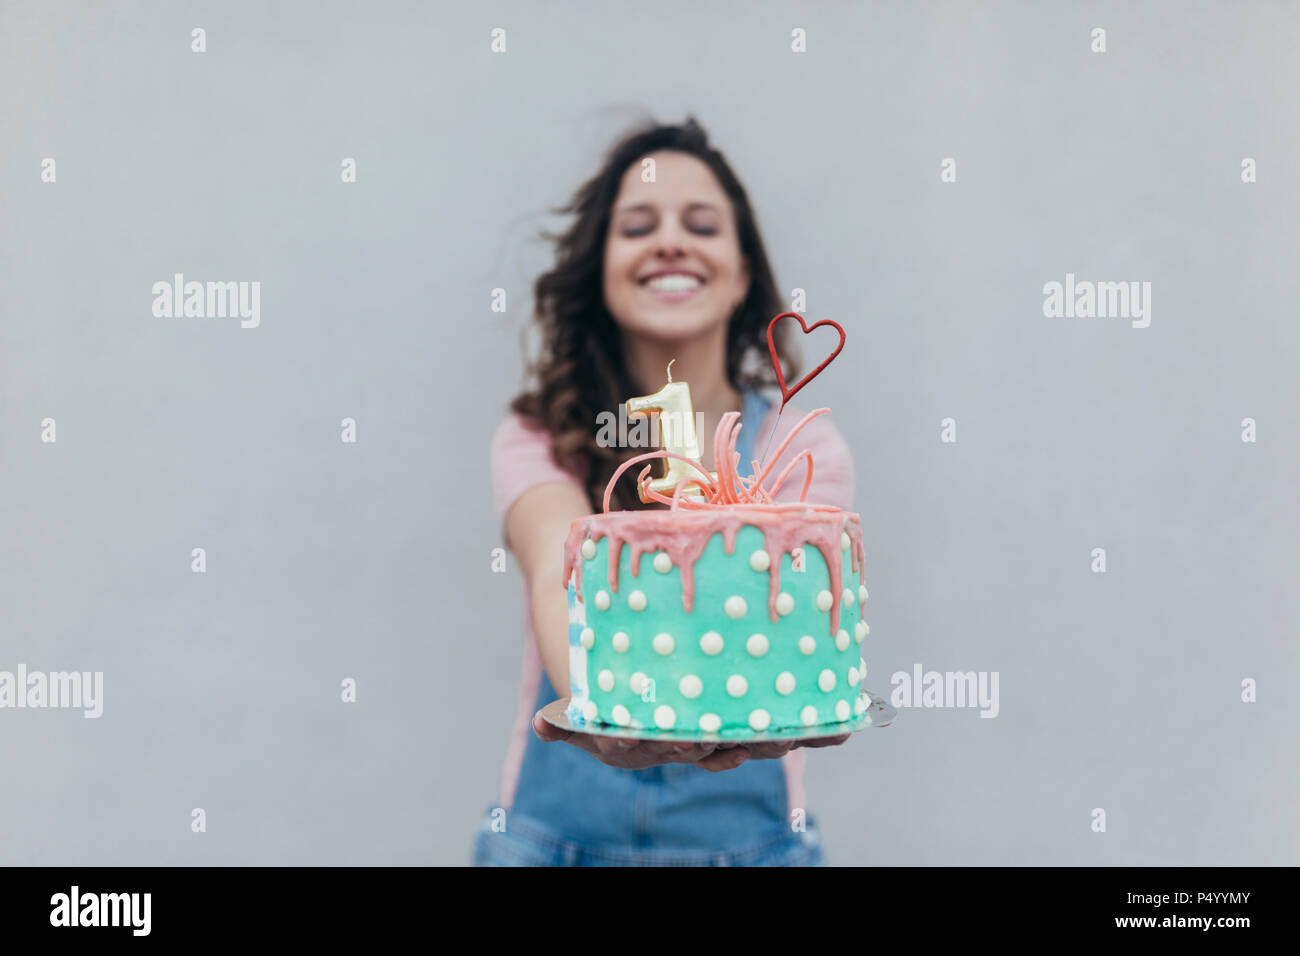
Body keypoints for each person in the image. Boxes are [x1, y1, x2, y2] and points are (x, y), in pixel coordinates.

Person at [475, 117, 857, 866]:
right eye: (639, 225)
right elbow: (561, 564)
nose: (672, 241)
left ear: (743, 273)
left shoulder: (800, 446)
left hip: (754, 851)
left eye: (703, 224)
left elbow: (796, 620)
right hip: (551, 849)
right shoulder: (540, 436)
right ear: (600, 269)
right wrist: (607, 707)